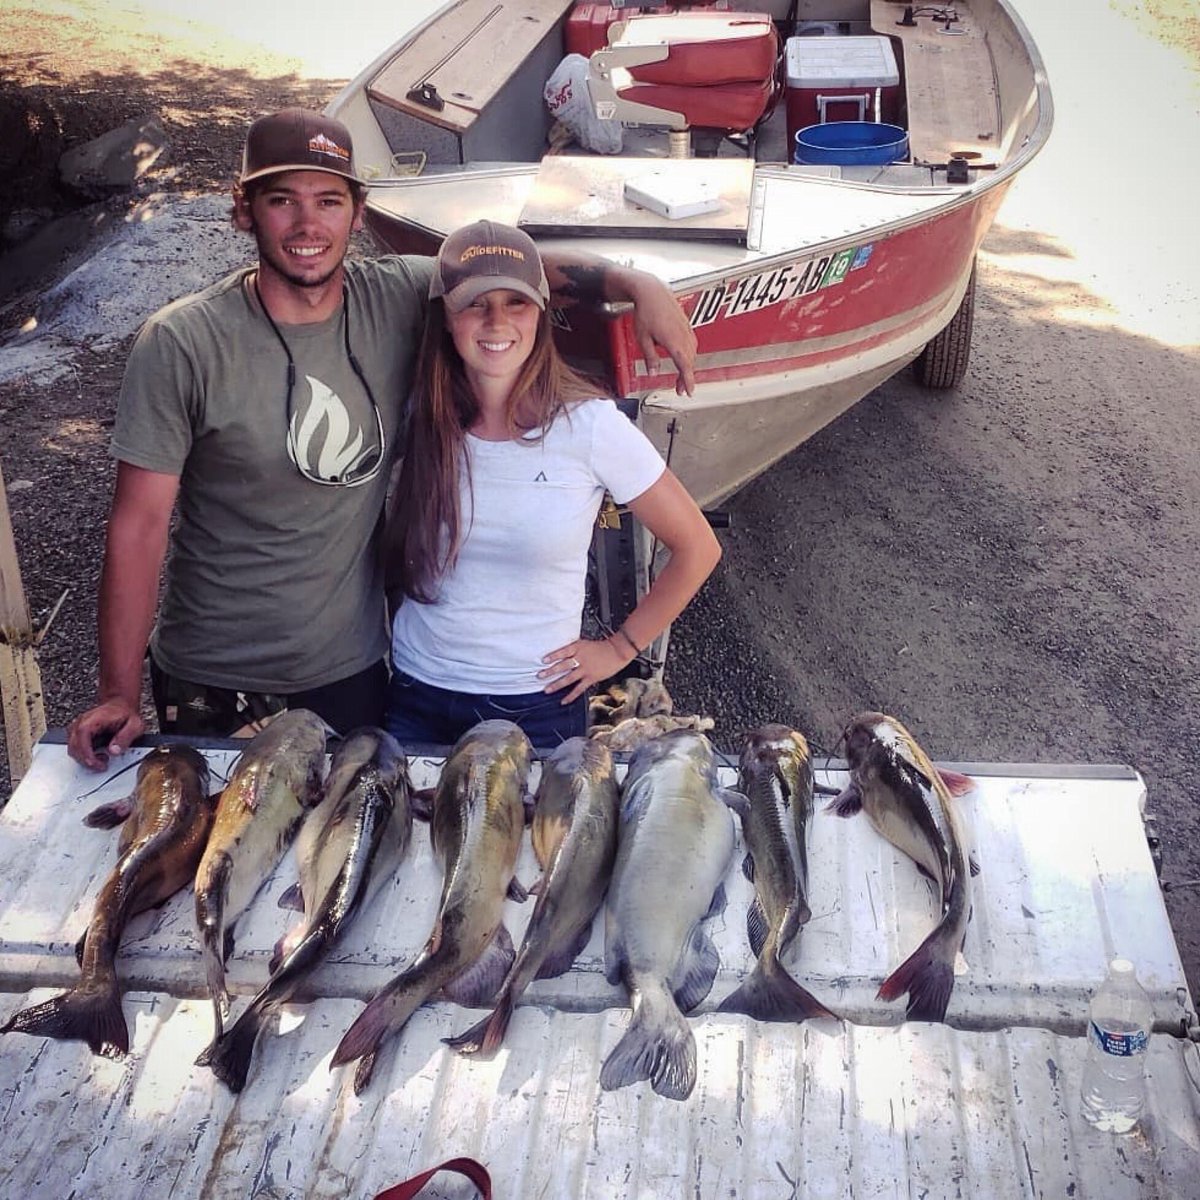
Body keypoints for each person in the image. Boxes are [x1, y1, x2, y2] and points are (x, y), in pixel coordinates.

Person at [66, 108, 698, 770]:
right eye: (282, 201)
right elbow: (138, 528)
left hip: (351, 673)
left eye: (329, 201)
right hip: (209, 675)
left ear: (357, 214)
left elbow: (511, 274)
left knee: (347, 858)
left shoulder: (398, 295)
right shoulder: (183, 344)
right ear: (244, 211)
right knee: (204, 858)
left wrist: (635, 283)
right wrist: (117, 691)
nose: (309, 225)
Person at [382, 221, 721, 746]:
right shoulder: (419, 412)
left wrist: (619, 648)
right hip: (415, 693)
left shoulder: (589, 426)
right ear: (446, 319)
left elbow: (697, 547)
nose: (496, 322)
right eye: (475, 304)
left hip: (535, 707)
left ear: (542, 313)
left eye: (516, 303)